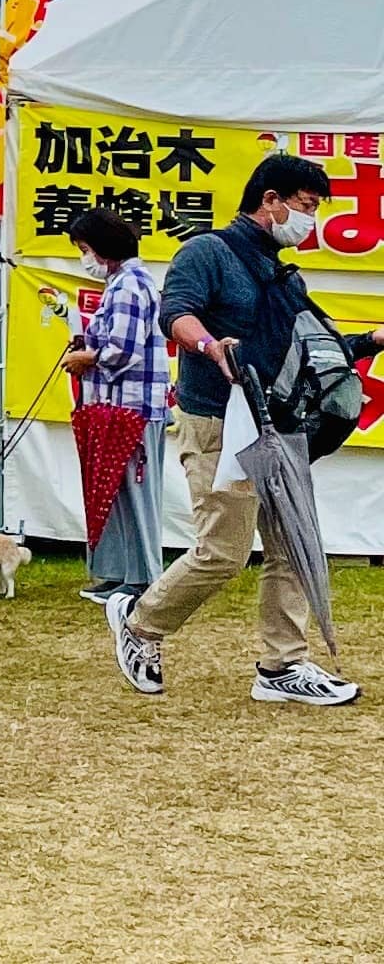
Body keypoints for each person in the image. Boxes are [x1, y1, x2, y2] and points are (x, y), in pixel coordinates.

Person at [112, 154, 376, 706]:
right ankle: (141, 624)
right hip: (215, 421)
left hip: (278, 427)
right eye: (305, 207)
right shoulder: (207, 252)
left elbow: (313, 348)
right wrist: (210, 346)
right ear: (270, 201)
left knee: (295, 547)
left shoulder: (284, 275)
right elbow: (177, 314)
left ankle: (283, 666)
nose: (310, 221)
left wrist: (370, 342)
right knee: (223, 551)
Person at [61, 211, 168, 607]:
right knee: (114, 493)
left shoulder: (128, 286)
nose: (84, 258)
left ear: (104, 249)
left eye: (86, 250)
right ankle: (120, 573)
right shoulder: (123, 284)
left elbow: (123, 350)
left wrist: (88, 359)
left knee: (135, 494)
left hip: (132, 407)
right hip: (116, 406)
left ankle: (142, 579)